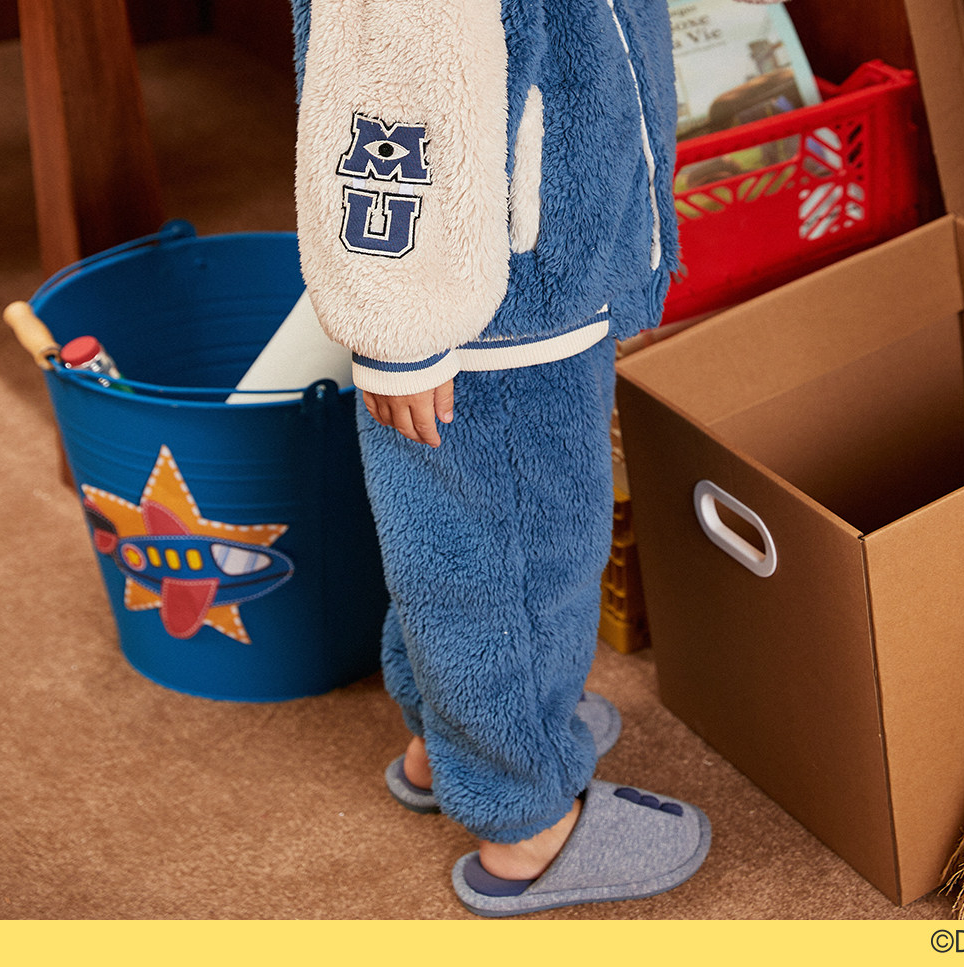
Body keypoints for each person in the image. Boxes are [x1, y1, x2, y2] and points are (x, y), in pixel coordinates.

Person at [290, 0, 778, 916]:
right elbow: (388, 86)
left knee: (455, 551)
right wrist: (400, 325)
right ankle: (524, 820)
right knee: (518, 573)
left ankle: (448, 740)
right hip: (499, 310)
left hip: (541, 268)